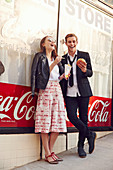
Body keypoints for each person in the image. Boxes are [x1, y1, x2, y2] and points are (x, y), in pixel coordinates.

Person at [31, 36, 67, 164]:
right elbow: (42, 75)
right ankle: (47, 153)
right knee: (45, 123)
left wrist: (63, 76)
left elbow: (55, 77)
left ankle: (50, 152)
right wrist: (54, 63)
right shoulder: (40, 57)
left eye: (54, 41)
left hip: (57, 89)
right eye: (49, 41)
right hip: (45, 90)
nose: (52, 43)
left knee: (57, 123)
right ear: (43, 44)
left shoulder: (56, 59)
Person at [60, 33, 96, 158]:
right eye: (69, 42)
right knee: (71, 116)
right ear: (66, 43)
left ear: (77, 42)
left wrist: (85, 70)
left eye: (73, 41)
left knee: (84, 119)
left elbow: (91, 73)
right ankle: (90, 134)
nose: (72, 44)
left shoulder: (84, 56)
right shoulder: (63, 59)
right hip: (70, 93)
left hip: (83, 92)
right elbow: (61, 76)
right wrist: (62, 77)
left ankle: (80, 147)